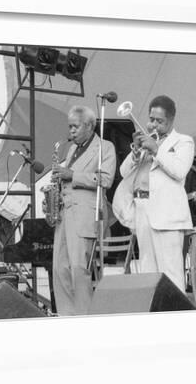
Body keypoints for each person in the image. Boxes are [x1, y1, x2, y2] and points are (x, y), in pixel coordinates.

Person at [112, 95, 194, 293]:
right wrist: (135, 152)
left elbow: (179, 171)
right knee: (148, 274)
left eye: (160, 121)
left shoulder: (184, 142)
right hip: (142, 211)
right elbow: (123, 173)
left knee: (171, 274)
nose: (153, 125)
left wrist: (156, 149)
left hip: (167, 215)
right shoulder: (145, 144)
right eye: (151, 119)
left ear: (171, 121)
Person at [49, 105, 116, 316]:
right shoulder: (70, 150)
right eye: (69, 127)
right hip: (64, 214)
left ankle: (85, 317)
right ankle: (67, 316)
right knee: (60, 269)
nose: (71, 132)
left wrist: (72, 175)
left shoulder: (105, 147)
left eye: (75, 127)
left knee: (79, 268)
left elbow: (105, 179)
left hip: (86, 215)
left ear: (88, 125)